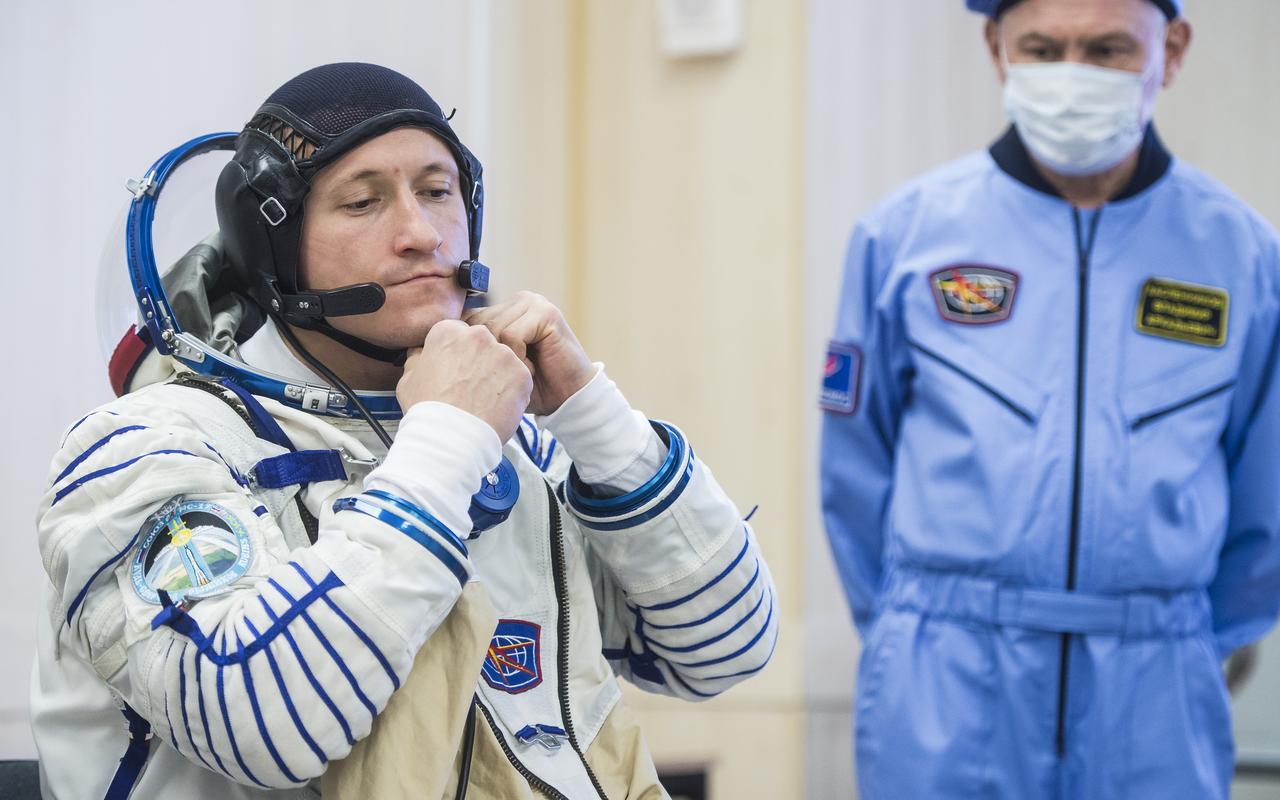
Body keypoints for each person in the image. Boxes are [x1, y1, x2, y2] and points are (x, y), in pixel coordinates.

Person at [32, 62, 777, 799]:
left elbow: (723, 649)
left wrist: (591, 413)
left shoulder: (507, 446)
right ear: (272, 249)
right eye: (363, 203)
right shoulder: (141, 451)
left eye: (437, 191)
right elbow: (260, 720)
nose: (422, 234)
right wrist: (448, 440)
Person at [819, 1, 1280, 797]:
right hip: (945, 681)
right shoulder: (903, 240)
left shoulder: (1242, 256)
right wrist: (917, 627)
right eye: (1042, 47)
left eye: (1105, 49)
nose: (1071, 74)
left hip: (1155, 691)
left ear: (1169, 51)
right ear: (996, 49)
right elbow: (855, 478)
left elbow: (1264, 508)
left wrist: (1184, 643)